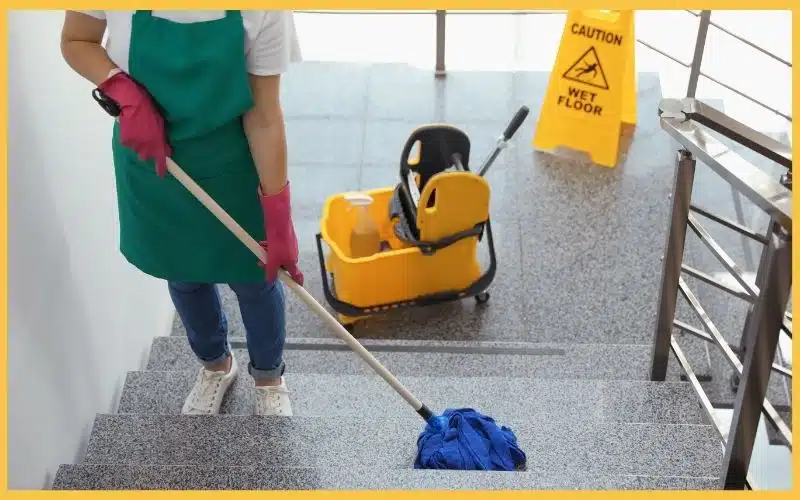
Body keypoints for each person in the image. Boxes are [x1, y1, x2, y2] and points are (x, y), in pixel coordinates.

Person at [60, 10, 304, 417]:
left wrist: (277, 213)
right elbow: (77, 40)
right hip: (156, 165)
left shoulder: (265, 10)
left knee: (254, 280)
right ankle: (216, 366)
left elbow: (263, 117)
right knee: (185, 275)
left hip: (231, 163)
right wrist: (121, 88)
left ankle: (269, 376)